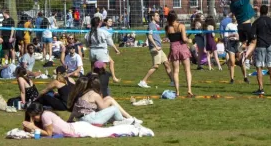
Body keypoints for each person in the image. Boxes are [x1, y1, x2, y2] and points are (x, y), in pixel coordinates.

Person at [23, 102, 151, 138]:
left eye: (32, 115)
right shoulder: (45, 114)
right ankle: (133, 128)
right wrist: (31, 124)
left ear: (36, 113)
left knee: (106, 132)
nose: (32, 118)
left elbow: (49, 134)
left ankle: (136, 129)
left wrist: (33, 127)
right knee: (106, 131)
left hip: (79, 129)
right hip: (77, 128)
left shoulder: (46, 116)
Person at [67, 74, 139, 125]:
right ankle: (124, 121)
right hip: (91, 120)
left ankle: (128, 119)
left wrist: (70, 120)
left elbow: (75, 110)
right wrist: (108, 101)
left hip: (81, 120)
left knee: (108, 98)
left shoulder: (82, 95)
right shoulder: (94, 94)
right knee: (114, 108)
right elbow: (103, 108)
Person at [138, 13, 173, 88]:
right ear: (152, 17)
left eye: (158, 15)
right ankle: (143, 81)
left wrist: (161, 40)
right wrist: (156, 46)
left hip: (159, 47)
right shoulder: (151, 25)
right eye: (157, 15)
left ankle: (172, 81)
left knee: (166, 63)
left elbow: (155, 37)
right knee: (156, 65)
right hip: (155, 48)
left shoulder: (155, 26)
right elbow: (150, 37)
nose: (159, 17)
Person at [229, 0, 256, 66]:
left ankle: (242, 58)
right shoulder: (241, 1)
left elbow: (244, 4)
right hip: (247, 25)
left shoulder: (232, 5)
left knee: (244, 43)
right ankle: (245, 55)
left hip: (240, 26)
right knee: (254, 42)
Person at [251, 5, 271, 96]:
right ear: (267, 11)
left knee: (259, 67)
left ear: (260, 12)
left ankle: (261, 88)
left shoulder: (256, 22)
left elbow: (252, 35)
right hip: (270, 45)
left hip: (260, 45)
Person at [166, 12, 193, 97]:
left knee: (176, 71)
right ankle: (189, 90)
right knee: (187, 70)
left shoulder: (167, 28)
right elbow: (184, 39)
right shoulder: (181, 26)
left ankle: (177, 91)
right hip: (183, 48)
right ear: (176, 17)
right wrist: (190, 41)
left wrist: (169, 53)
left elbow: (171, 41)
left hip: (174, 48)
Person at [224, 14, 247, 84]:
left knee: (242, 62)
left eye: (236, 16)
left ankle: (245, 77)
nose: (234, 18)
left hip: (238, 43)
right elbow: (225, 36)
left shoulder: (240, 25)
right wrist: (232, 35)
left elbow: (244, 35)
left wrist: (242, 41)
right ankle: (232, 79)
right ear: (232, 17)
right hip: (231, 43)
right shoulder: (229, 25)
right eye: (233, 16)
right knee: (232, 61)